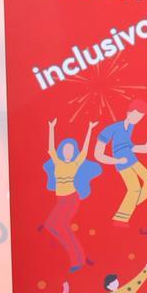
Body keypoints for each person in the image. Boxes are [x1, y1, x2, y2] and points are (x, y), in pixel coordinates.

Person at [42, 116, 101, 271]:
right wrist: (51, 128)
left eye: (71, 150)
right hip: (61, 199)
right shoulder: (57, 162)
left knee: (60, 227)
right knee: (52, 225)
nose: (68, 152)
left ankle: (77, 260)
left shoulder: (75, 163)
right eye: (65, 149)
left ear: (74, 152)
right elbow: (50, 149)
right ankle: (78, 256)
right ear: (62, 151)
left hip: (71, 199)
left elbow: (85, 150)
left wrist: (90, 129)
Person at [94, 102, 147, 224]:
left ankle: (129, 206)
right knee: (134, 190)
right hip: (123, 164)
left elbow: (145, 149)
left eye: (140, 117)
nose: (137, 120)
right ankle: (120, 219)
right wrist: (117, 160)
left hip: (133, 160)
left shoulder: (130, 128)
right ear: (128, 113)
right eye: (135, 115)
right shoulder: (112, 129)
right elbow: (98, 155)